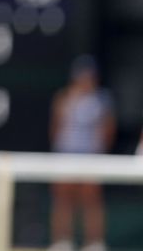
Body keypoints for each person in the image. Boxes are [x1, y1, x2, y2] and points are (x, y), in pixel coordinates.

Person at [48, 55, 116, 251]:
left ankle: (94, 243)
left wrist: (98, 152)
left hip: (91, 157)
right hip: (66, 155)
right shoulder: (63, 97)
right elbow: (55, 127)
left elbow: (108, 129)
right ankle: (62, 242)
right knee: (63, 199)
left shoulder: (102, 99)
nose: (85, 80)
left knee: (91, 200)